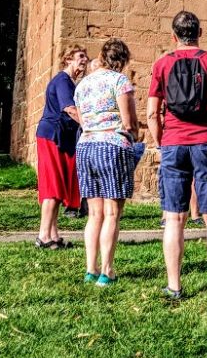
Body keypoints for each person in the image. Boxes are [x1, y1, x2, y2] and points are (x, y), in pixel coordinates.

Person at [147, 11, 207, 300]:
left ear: (173, 36)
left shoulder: (162, 64)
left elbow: (152, 112)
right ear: (200, 32)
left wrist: (162, 142)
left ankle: (174, 286)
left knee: (174, 218)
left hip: (173, 143)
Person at [73, 38, 139, 286]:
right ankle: (106, 271)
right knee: (112, 213)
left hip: (86, 146)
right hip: (112, 145)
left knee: (94, 213)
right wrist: (135, 136)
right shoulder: (119, 80)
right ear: (121, 61)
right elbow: (129, 121)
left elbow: (82, 118)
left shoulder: (82, 84)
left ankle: (90, 269)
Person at [34, 45, 87, 248]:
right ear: (68, 59)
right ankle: (44, 236)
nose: (84, 60)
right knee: (53, 187)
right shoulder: (63, 81)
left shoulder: (68, 82)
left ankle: (53, 235)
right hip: (51, 136)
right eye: (80, 56)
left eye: (85, 57)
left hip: (60, 137)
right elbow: (70, 109)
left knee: (57, 187)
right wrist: (89, 126)